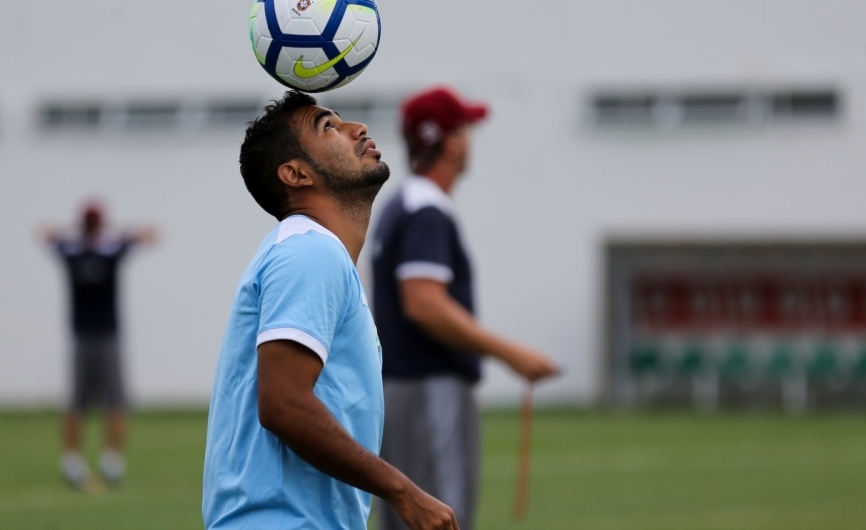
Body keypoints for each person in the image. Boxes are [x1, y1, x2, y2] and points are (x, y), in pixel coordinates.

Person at [203, 90, 458, 530]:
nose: (356, 129)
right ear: (296, 174)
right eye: (328, 127)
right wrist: (403, 491)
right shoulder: (309, 252)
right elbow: (283, 403)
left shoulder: (319, 255)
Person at [371, 87, 560, 530]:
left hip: (402, 388)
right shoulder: (426, 210)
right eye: (466, 129)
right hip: (429, 388)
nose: (471, 139)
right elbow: (423, 303)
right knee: (440, 517)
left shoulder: (403, 204)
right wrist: (511, 353)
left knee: (409, 518)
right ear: (450, 142)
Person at [42, 203, 156, 490]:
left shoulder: (72, 251)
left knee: (84, 402)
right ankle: (107, 462)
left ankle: (81, 462)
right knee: (108, 401)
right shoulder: (110, 250)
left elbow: (48, 236)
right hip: (103, 337)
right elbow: (139, 237)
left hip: (87, 337)